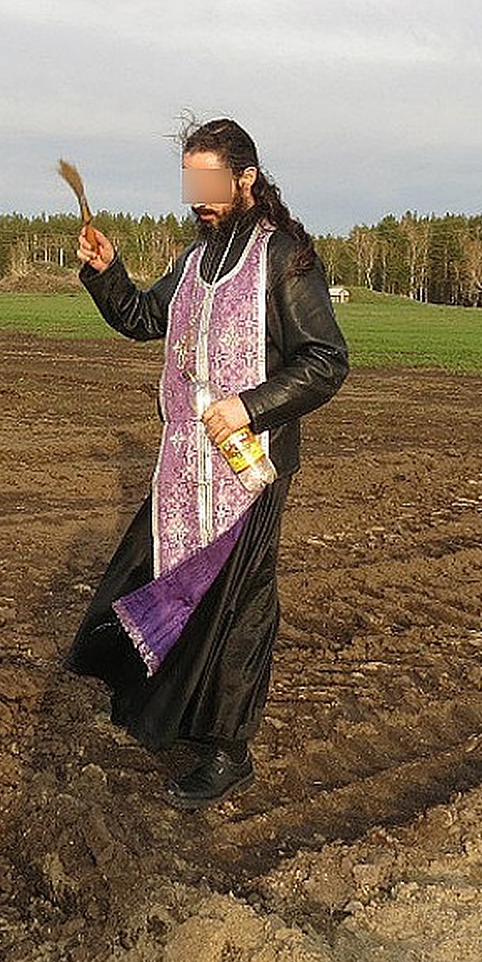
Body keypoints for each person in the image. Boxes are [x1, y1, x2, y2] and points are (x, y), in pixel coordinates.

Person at [65, 117, 348, 809]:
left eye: (211, 181)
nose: (200, 197)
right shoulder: (195, 263)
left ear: (246, 178)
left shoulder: (284, 259)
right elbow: (140, 318)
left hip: (252, 469)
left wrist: (251, 405)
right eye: (192, 182)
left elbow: (326, 361)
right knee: (172, 583)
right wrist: (107, 274)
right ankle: (178, 715)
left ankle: (227, 750)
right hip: (185, 468)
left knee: (240, 605)